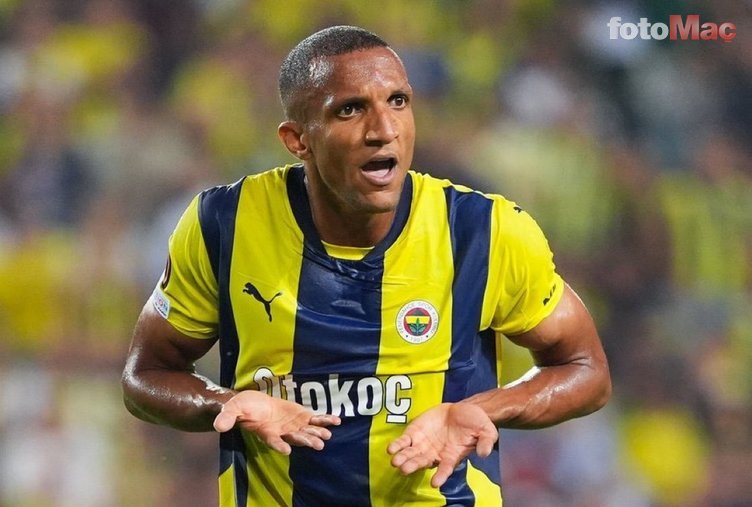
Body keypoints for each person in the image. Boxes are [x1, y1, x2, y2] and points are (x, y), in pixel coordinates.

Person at [121, 25, 611, 506]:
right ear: (297, 139)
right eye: (350, 109)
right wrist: (225, 404)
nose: (383, 130)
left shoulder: (485, 231)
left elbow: (586, 370)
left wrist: (486, 407)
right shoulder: (224, 224)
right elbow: (147, 374)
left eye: (398, 101)